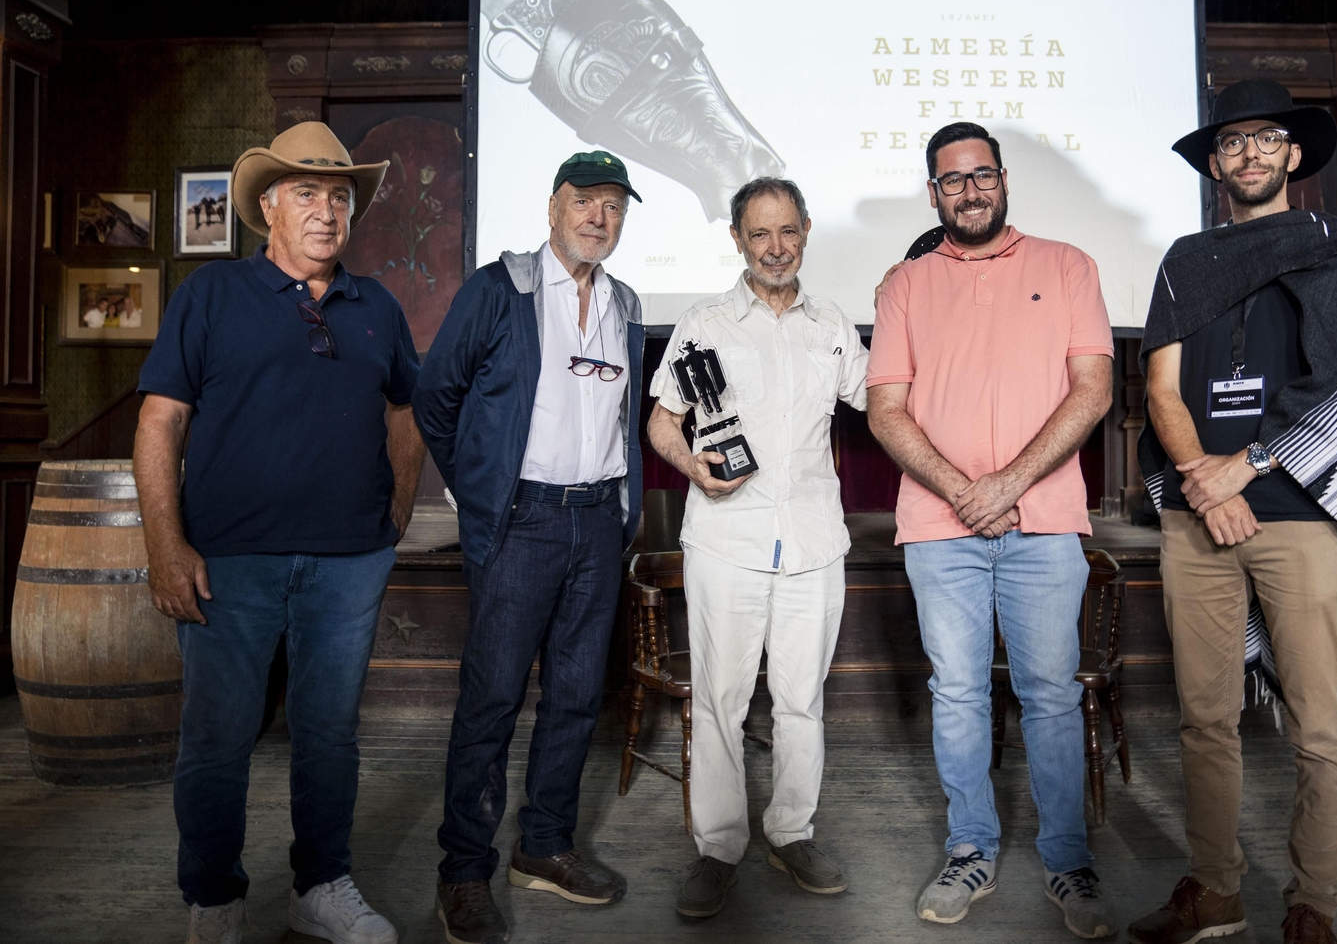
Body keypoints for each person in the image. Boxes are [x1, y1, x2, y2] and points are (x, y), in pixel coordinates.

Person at [1131, 79, 1337, 944]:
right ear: (1215, 163)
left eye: (1266, 138)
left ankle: (1314, 904)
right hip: (1198, 515)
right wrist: (1203, 482)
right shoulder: (1185, 261)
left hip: (1305, 515)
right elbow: (1161, 387)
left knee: (1319, 724)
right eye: (1232, 141)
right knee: (1205, 720)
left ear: (1294, 153)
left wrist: (1242, 469)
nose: (1249, 153)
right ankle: (1215, 891)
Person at [133, 121, 424, 944]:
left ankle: (321, 885)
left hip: (349, 562)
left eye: (340, 196)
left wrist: (396, 514)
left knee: (329, 736)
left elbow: (407, 411)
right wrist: (165, 546)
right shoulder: (212, 294)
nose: (327, 211)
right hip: (230, 561)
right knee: (217, 738)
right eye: (306, 193)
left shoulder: (378, 306)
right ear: (268, 207)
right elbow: (159, 423)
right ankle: (215, 900)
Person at [866, 122, 1119, 937]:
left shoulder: (1068, 265)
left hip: (1044, 524)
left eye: (982, 175)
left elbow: (1092, 391)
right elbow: (886, 409)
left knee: (1051, 694)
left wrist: (1008, 485)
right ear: (933, 193)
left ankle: (1067, 860)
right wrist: (964, 492)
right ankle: (970, 848)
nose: (969, 191)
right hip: (940, 530)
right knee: (958, 693)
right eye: (952, 180)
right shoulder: (905, 285)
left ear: (1003, 180)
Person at [414, 150, 647, 944]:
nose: (598, 218)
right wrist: (478, 490)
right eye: (585, 201)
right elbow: (435, 396)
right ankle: (463, 871)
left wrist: (618, 513)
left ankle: (544, 846)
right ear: (553, 208)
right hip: (523, 523)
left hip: (597, 523)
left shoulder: (625, 303)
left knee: (578, 697)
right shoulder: (499, 290)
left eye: (614, 206)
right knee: (492, 700)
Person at [646, 177, 868, 918]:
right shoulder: (704, 324)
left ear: (805, 231)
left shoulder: (833, 325)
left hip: (813, 542)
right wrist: (691, 466)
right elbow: (661, 422)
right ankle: (717, 848)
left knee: (802, 702)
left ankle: (791, 833)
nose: (776, 248)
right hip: (725, 542)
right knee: (720, 702)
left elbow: (885, 401)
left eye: (788, 231)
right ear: (738, 239)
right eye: (760, 233)